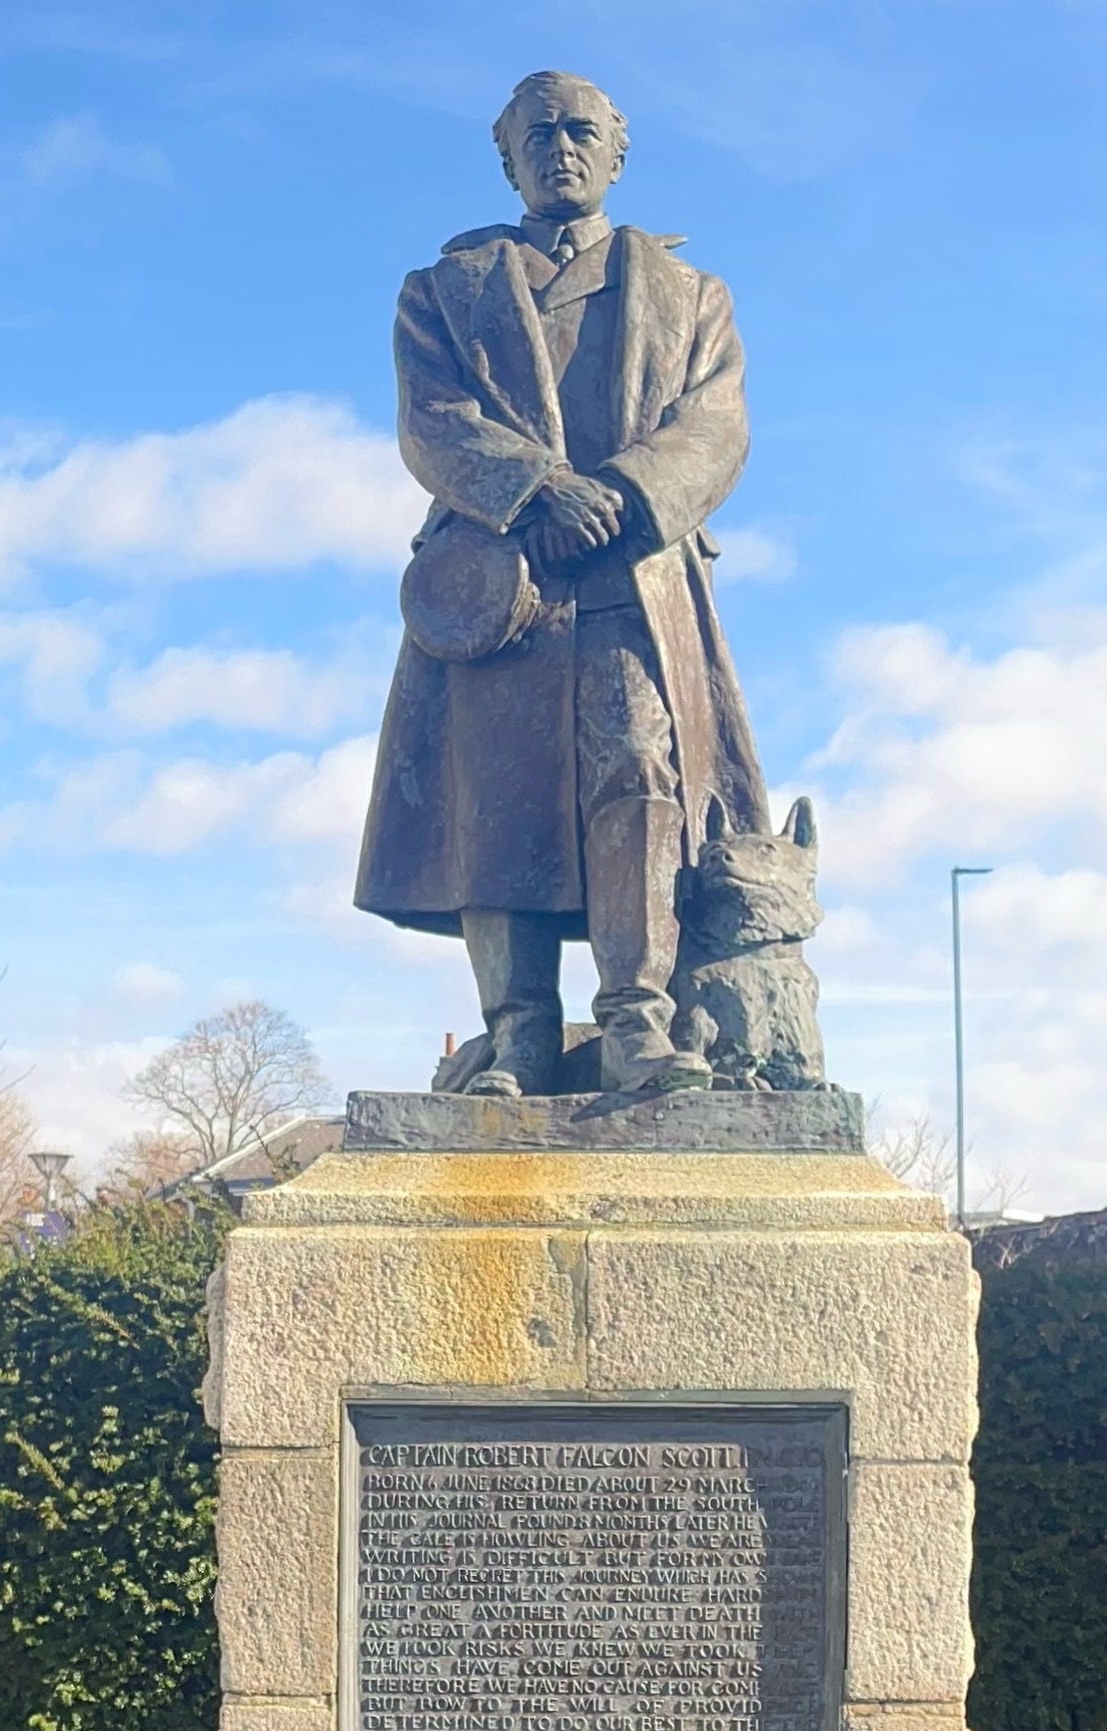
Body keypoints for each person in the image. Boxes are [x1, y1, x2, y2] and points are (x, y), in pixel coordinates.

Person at [355, 69, 768, 1094]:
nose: (562, 147)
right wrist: (539, 487)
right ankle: (521, 1033)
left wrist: (623, 492)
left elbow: (717, 426)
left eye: (582, 131)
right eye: (538, 134)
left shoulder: (692, 296)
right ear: (507, 157)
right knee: (499, 799)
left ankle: (637, 1023)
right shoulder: (442, 292)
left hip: (631, 571)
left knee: (641, 777)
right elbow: (434, 419)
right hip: (504, 580)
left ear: (618, 154)